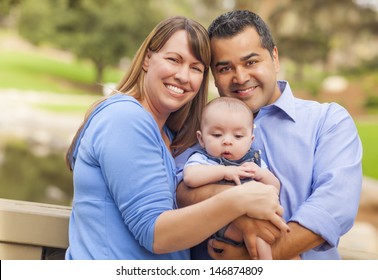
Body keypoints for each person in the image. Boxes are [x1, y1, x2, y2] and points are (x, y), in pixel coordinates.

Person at [64, 16, 288, 260]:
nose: (183, 76)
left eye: (196, 68)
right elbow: (155, 234)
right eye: (174, 60)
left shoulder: (168, 134)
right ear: (148, 58)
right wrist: (239, 200)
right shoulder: (125, 118)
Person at [175, 10, 363, 260]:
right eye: (225, 68)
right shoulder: (203, 125)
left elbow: (333, 208)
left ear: (274, 58)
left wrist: (255, 260)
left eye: (251, 62)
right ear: (214, 76)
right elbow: (179, 190)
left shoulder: (328, 121)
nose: (240, 77)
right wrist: (239, 209)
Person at [183, 96, 280, 260]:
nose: (227, 141)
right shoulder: (204, 159)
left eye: (238, 136)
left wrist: (261, 174)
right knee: (254, 235)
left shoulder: (254, 161)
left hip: (257, 218)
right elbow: (190, 178)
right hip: (223, 223)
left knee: (264, 236)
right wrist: (224, 171)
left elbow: (275, 186)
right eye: (217, 134)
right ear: (201, 139)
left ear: (251, 140)